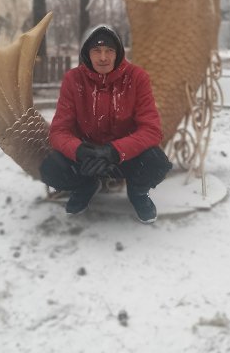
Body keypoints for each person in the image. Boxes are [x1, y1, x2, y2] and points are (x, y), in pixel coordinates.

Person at [40, 24, 172, 223]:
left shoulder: (137, 78)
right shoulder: (73, 79)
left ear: (118, 52)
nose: (103, 57)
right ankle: (85, 186)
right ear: (87, 53)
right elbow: (59, 131)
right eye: (96, 50)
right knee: (51, 168)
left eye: (109, 50)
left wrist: (115, 151)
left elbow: (151, 130)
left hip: (124, 156)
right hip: (87, 159)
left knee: (156, 163)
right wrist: (79, 151)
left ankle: (137, 193)